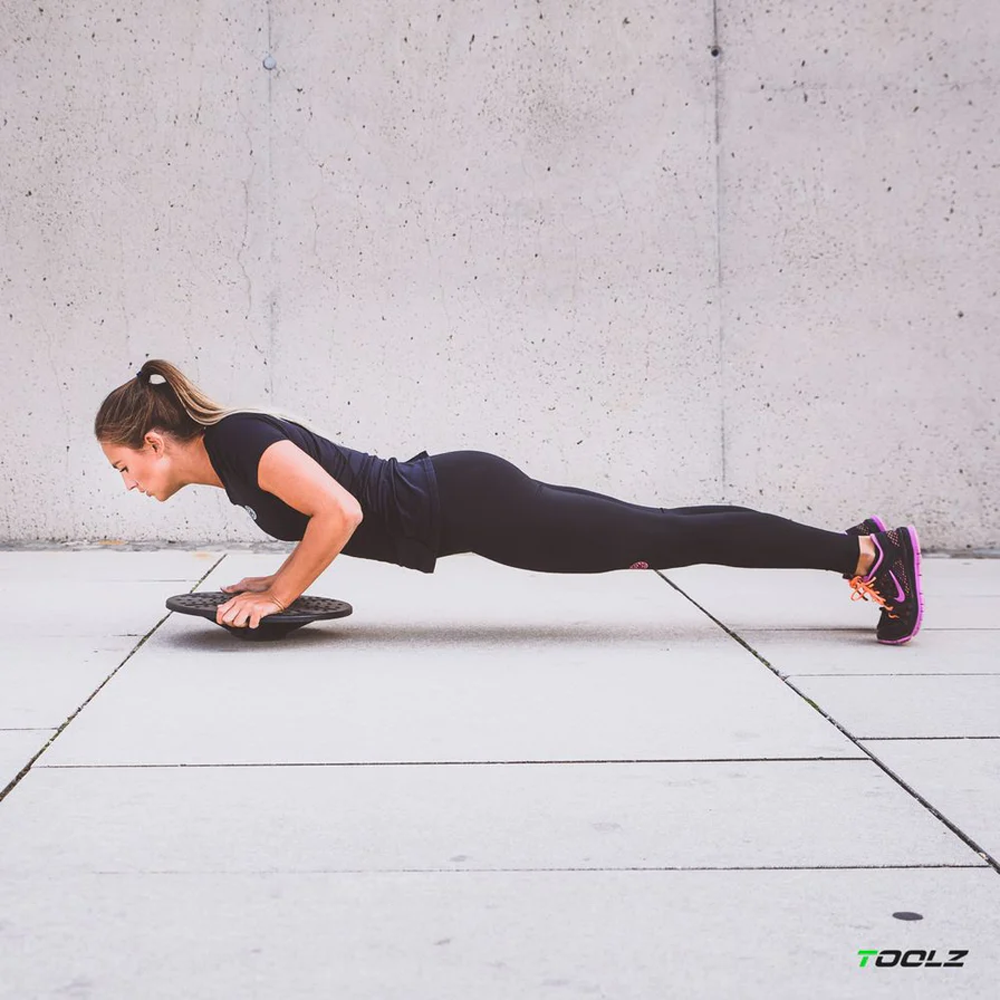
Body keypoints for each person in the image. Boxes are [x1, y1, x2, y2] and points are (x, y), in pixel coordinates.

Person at [95, 360, 923, 643]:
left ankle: (866, 556)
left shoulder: (239, 441)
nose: (128, 482)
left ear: (156, 442)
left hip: (473, 502)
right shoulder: (232, 457)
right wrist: (274, 581)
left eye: (125, 466)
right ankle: (857, 547)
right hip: (468, 499)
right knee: (664, 530)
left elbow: (340, 513)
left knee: (666, 538)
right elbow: (329, 510)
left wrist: (281, 592)